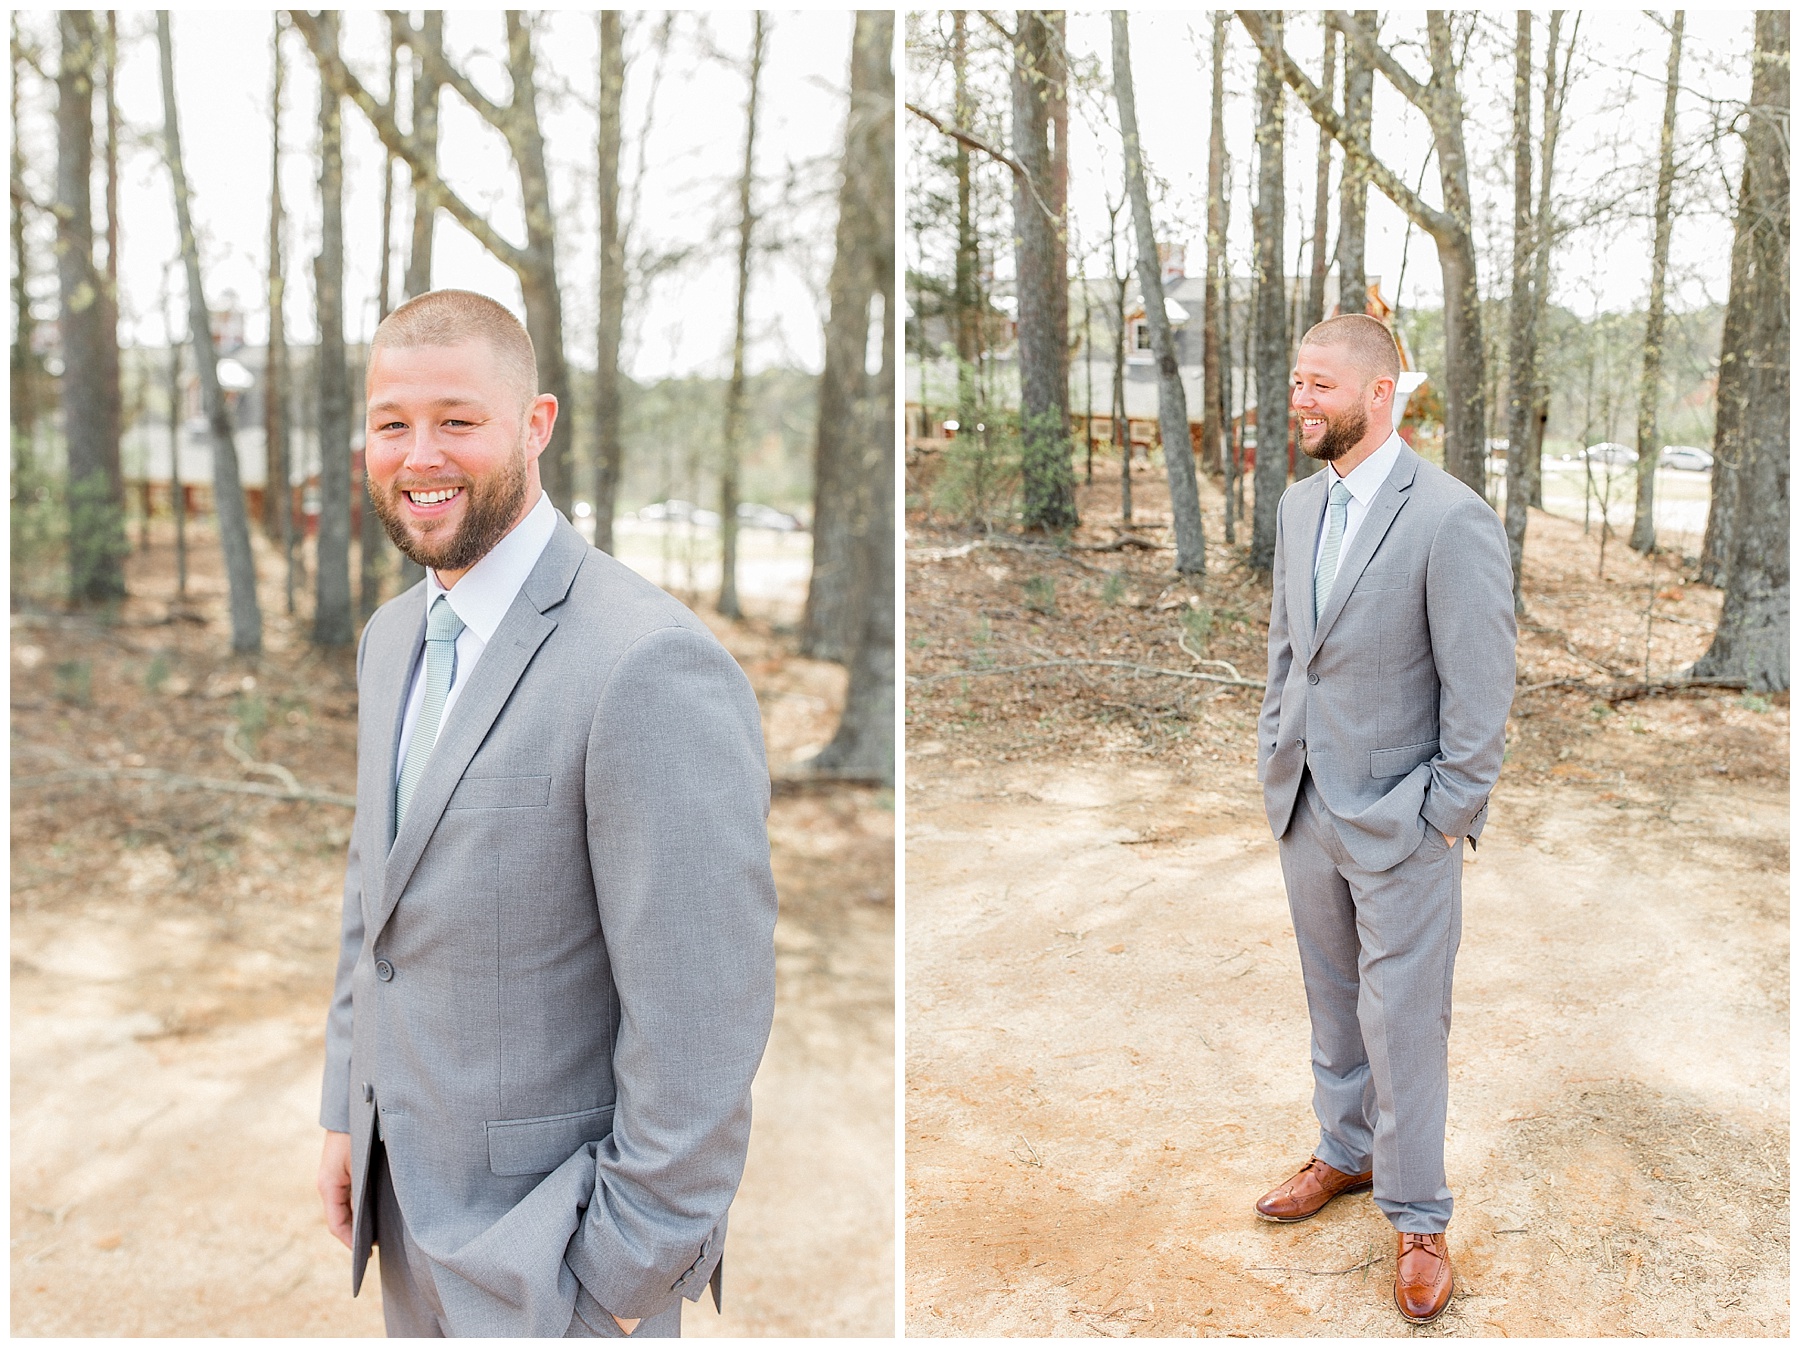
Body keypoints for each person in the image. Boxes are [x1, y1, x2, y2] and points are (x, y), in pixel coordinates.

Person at [314, 289, 777, 1338]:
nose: (418, 453)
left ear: (537, 426)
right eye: (392, 423)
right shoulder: (391, 639)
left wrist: (622, 1270)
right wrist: (351, 1107)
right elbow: (371, 901)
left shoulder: (646, 662)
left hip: (553, 1258)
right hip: (404, 1213)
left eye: (457, 420)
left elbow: (702, 1018)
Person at [1252, 314, 1515, 1325]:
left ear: (1377, 395)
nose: (1300, 401)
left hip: (1404, 821)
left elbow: (1481, 691)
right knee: (1331, 999)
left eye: (1318, 384)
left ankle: (1416, 1215)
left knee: (1404, 1021)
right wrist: (1277, 758)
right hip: (1307, 803)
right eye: (1295, 381)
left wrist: (1443, 815)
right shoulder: (1296, 509)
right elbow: (1290, 650)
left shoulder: (1450, 520)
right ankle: (1347, 1153)